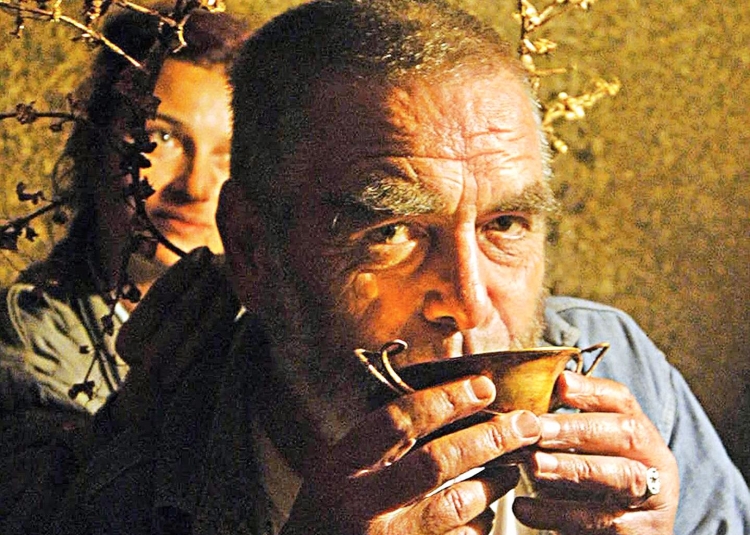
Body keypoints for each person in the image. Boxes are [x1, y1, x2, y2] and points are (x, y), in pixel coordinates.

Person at [4, 1, 748, 534]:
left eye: (505, 224)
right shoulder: (133, 480)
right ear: (255, 250)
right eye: (391, 230)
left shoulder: (631, 387)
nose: (467, 300)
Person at [0, 6, 250, 415]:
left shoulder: (272, 338)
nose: (197, 187)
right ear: (92, 147)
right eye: (161, 138)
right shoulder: (31, 344)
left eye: (230, 156)